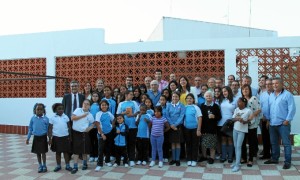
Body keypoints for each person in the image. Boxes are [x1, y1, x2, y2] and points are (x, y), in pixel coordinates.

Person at [264, 77, 296, 169]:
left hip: (283, 124)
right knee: (274, 142)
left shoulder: (287, 95)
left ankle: (287, 161)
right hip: (272, 123)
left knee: (286, 143)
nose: (274, 85)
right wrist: (268, 120)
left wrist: (287, 120)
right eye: (273, 83)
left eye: (276, 83)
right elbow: (269, 109)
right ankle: (274, 158)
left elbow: (292, 108)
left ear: (282, 84)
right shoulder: (271, 95)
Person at [70, 99, 95, 174]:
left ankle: (85, 164)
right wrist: (83, 115)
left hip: (84, 133)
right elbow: (72, 118)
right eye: (84, 103)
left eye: (87, 104)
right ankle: (75, 166)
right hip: (76, 133)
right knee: (76, 150)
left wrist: (89, 128)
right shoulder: (78, 110)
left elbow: (94, 123)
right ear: (82, 104)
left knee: (84, 150)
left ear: (89, 106)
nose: (85, 105)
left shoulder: (90, 115)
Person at [116, 90, 140, 167]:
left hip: (132, 126)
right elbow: (118, 114)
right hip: (123, 126)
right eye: (131, 94)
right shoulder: (121, 104)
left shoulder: (134, 103)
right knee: (123, 143)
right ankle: (124, 158)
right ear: (126, 95)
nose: (132, 96)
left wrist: (132, 115)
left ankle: (132, 159)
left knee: (132, 143)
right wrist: (124, 113)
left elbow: (138, 112)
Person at [241, 84, 261, 167]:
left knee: (252, 142)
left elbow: (259, 109)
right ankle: (244, 158)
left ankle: (250, 159)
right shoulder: (241, 100)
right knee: (243, 142)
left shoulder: (254, 98)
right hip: (243, 124)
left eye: (246, 89)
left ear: (250, 90)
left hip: (252, 124)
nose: (245, 91)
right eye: (243, 89)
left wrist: (251, 116)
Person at [48, 103, 72, 172]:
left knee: (66, 152)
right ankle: (58, 165)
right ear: (55, 110)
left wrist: (70, 137)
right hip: (56, 138)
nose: (61, 110)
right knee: (58, 152)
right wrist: (50, 139)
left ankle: (67, 165)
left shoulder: (66, 117)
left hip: (65, 137)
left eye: (62, 109)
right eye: (59, 109)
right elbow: (50, 128)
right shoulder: (52, 118)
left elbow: (69, 127)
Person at [199, 91, 222, 164]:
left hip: (212, 127)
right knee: (203, 143)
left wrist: (214, 116)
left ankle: (212, 157)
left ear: (212, 97)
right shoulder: (202, 105)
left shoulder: (215, 106)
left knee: (212, 143)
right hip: (204, 127)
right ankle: (204, 156)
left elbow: (219, 117)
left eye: (210, 96)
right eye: (207, 96)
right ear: (205, 97)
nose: (208, 97)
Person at [26, 103, 49, 173]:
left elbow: (48, 129)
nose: (39, 111)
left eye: (41, 109)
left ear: (43, 111)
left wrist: (50, 139)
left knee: (43, 152)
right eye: (37, 109)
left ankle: (44, 165)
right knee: (38, 153)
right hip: (36, 138)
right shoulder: (33, 118)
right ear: (34, 110)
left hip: (43, 137)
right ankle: (40, 165)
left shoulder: (46, 119)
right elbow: (30, 128)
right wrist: (28, 138)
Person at [231, 97, 252, 172]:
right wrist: (238, 119)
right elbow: (232, 119)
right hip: (235, 129)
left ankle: (237, 165)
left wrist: (244, 121)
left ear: (244, 103)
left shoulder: (248, 111)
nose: (238, 103)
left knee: (238, 147)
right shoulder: (236, 109)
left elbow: (250, 121)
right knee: (235, 146)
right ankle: (237, 162)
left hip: (242, 131)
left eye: (239, 102)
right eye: (237, 101)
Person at [166, 91, 185, 166]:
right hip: (171, 126)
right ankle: (173, 159)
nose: (174, 98)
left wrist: (175, 125)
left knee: (178, 143)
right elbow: (167, 115)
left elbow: (181, 116)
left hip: (178, 127)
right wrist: (171, 124)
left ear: (179, 97)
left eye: (176, 96)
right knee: (172, 143)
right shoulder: (168, 105)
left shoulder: (182, 105)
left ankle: (177, 159)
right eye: (173, 96)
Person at [94, 100, 115, 171]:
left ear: (108, 106)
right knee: (100, 149)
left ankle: (107, 161)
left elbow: (114, 119)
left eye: (105, 105)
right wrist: (102, 134)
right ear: (100, 106)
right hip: (101, 134)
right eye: (102, 105)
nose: (104, 106)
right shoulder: (98, 113)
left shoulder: (109, 113)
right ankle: (99, 164)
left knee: (108, 148)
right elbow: (97, 124)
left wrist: (112, 126)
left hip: (109, 133)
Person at [218, 86, 236, 163]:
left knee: (230, 139)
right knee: (223, 139)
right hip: (221, 123)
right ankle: (223, 156)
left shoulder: (234, 100)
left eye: (225, 91)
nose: (224, 93)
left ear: (229, 91)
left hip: (231, 123)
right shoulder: (221, 100)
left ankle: (230, 156)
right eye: (223, 91)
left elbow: (237, 111)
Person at [184, 93, 202, 167]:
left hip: (195, 129)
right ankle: (189, 159)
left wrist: (198, 129)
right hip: (186, 129)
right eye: (188, 98)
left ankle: (194, 159)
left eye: (191, 98)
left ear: (193, 100)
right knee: (188, 144)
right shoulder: (184, 107)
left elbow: (200, 118)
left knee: (195, 144)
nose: (189, 99)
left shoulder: (196, 107)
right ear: (186, 100)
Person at [259, 78, 273, 160]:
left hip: (272, 120)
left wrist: (269, 119)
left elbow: (274, 109)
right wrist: (263, 116)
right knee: (265, 137)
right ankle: (266, 154)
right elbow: (260, 107)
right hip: (263, 119)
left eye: (269, 84)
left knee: (273, 138)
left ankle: (274, 155)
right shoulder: (263, 95)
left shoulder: (275, 94)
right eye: (266, 84)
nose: (268, 85)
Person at [89, 92, 100, 162]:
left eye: (96, 96)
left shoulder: (99, 106)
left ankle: (96, 155)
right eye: (93, 96)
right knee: (91, 141)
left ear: (98, 97)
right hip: (90, 126)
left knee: (97, 141)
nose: (95, 97)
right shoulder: (89, 105)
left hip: (97, 126)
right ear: (91, 97)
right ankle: (91, 155)